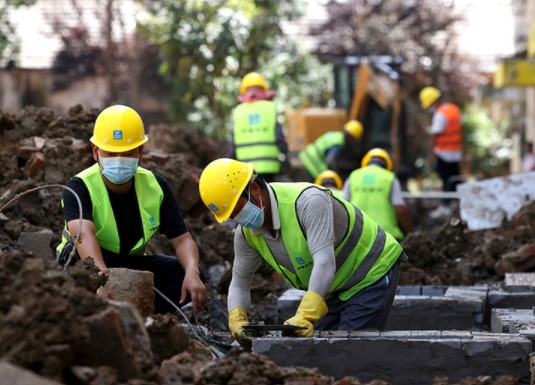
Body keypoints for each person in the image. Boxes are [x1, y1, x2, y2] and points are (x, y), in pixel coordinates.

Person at [198, 158, 407, 340]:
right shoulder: (246, 234)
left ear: (254, 190)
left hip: (370, 271)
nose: (237, 219)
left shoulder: (308, 202)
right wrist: (237, 317)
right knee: (319, 351)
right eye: (231, 217)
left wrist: (304, 315)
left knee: (349, 351)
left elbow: (324, 263)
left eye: (237, 210)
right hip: (333, 286)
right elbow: (239, 283)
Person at [56, 105, 207, 313]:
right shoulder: (80, 186)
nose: (118, 161)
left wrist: (192, 272)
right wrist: (103, 282)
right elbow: (83, 236)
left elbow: (182, 239)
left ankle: (149, 313)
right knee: (80, 278)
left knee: (188, 272)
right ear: (95, 152)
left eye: (127, 153)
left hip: (131, 264)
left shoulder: (156, 187)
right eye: (110, 153)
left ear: (141, 152)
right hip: (85, 261)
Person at [227, 72, 289, 183]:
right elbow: (279, 136)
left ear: (244, 91)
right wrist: (285, 152)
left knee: (251, 196)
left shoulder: (238, 111)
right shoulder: (270, 108)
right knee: (268, 197)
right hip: (269, 166)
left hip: (246, 169)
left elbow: (233, 144)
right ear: (263, 90)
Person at [343, 148, 413, 241]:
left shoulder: (353, 176)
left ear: (366, 162)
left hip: (357, 234)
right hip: (385, 236)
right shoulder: (390, 178)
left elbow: (343, 206)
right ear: (387, 164)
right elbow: (400, 210)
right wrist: (411, 232)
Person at [419, 86, 463, 193]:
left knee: (446, 180)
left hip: (443, 153)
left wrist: (431, 153)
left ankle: (448, 204)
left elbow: (435, 135)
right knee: (455, 179)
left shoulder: (440, 114)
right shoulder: (453, 109)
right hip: (456, 151)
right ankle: (458, 203)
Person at [298, 120, 364, 182]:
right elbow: (331, 160)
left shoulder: (336, 135)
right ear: (351, 137)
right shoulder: (338, 143)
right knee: (318, 184)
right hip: (313, 161)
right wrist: (337, 176)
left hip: (307, 155)